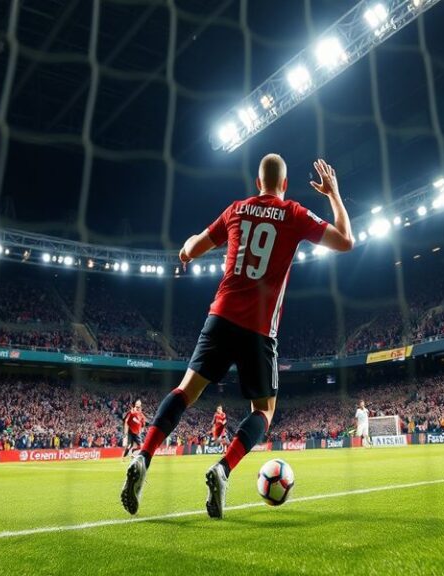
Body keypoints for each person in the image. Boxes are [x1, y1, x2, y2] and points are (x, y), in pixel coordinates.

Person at [120, 155, 354, 518]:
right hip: (259, 329)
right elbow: (345, 241)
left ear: (257, 183)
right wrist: (334, 194)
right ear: (285, 184)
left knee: (186, 391)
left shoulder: (236, 210)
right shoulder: (293, 213)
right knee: (263, 410)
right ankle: (222, 469)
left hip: (221, 316)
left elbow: (193, 248)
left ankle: (144, 455)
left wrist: (184, 250)